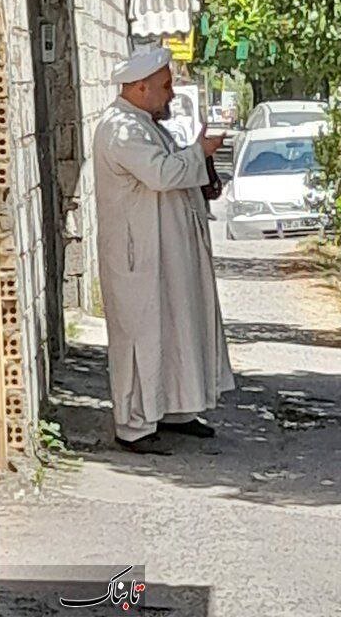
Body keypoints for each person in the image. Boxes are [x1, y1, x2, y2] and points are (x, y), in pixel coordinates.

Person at [93, 46, 235, 455]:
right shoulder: (120, 129)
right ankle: (133, 425)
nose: (171, 94)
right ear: (140, 87)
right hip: (140, 257)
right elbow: (160, 173)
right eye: (166, 86)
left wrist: (202, 166)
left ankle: (175, 410)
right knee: (143, 335)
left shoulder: (144, 124)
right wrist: (201, 152)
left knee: (176, 327)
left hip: (168, 254)